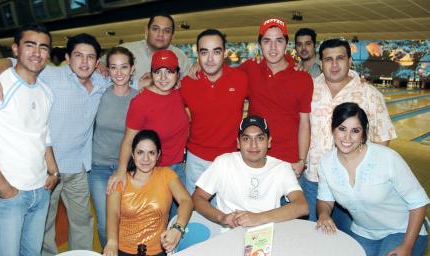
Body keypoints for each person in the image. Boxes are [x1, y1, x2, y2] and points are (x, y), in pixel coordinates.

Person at [0, 33, 110, 254]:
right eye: (78, 55)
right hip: (47, 169)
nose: (84, 62)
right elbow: (15, 62)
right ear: (67, 57)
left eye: (90, 57)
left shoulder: (102, 81)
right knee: (45, 228)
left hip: (77, 167)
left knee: (82, 223)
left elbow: (126, 79)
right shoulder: (49, 75)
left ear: (98, 62)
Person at [0, 24, 59, 255]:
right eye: (30, 45)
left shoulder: (46, 91)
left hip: (40, 193)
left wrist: (54, 172)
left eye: (43, 47)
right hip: (6, 196)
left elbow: (44, 135)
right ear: (16, 49)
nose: (37, 52)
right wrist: (5, 190)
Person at [316, 102, 428, 256]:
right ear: (333, 129)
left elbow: (419, 202)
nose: (347, 137)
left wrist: (407, 246)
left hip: (403, 230)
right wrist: (323, 214)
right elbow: (325, 200)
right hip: (364, 232)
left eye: (355, 130)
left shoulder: (387, 158)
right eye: (342, 129)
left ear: (363, 133)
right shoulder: (326, 163)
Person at [303, 38, 396, 224]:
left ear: (350, 61)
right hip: (314, 179)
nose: (334, 64)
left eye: (340, 58)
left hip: (353, 184)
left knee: (350, 242)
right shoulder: (308, 89)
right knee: (314, 238)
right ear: (320, 63)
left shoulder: (369, 94)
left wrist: (368, 175)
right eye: (328, 59)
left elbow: (382, 139)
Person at [108, 49, 189, 218]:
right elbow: (128, 140)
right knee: (155, 225)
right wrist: (121, 170)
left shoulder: (180, 94)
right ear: (150, 74)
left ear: (177, 74)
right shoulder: (141, 102)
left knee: (178, 222)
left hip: (178, 170)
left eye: (169, 71)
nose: (163, 77)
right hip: (152, 172)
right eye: (158, 72)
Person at [192, 115, 308, 228]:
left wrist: (258, 218)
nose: (253, 145)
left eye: (260, 138)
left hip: (266, 232)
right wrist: (222, 218)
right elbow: (197, 198)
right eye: (246, 139)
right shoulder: (224, 162)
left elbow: (302, 206)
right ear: (238, 143)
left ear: (269, 142)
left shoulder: (281, 168)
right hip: (228, 231)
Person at [237, 18, 313, 177]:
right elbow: (221, 76)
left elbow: (304, 122)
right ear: (259, 44)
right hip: (254, 158)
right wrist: (197, 66)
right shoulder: (249, 69)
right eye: (267, 41)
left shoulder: (302, 78)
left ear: (286, 44)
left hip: (288, 163)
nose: (272, 47)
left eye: (278, 41)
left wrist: (301, 160)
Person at [180, 29, 248, 194]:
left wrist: (293, 61)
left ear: (225, 53)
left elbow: (269, 66)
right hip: (196, 159)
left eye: (216, 52)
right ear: (198, 55)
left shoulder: (241, 79)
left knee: (226, 213)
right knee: (196, 213)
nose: (210, 59)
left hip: (229, 159)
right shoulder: (187, 82)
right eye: (204, 52)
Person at [103, 130, 193, 256]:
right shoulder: (119, 180)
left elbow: (186, 201)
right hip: (122, 250)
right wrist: (112, 242)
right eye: (140, 152)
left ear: (158, 155)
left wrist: (178, 229)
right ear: (133, 155)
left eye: (151, 153)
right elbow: (113, 213)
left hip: (158, 251)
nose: (146, 159)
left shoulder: (167, 175)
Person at [89, 46, 138, 247]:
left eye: (124, 67)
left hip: (128, 169)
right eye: (113, 67)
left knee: (127, 220)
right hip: (99, 168)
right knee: (104, 223)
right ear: (107, 70)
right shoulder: (98, 94)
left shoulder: (139, 98)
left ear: (132, 69)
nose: (119, 73)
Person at [99, 13, 191, 90]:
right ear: (147, 31)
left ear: (172, 35)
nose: (160, 34)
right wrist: (100, 66)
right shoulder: (127, 50)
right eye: (155, 29)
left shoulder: (181, 58)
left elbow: (189, 85)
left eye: (166, 31)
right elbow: (100, 63)